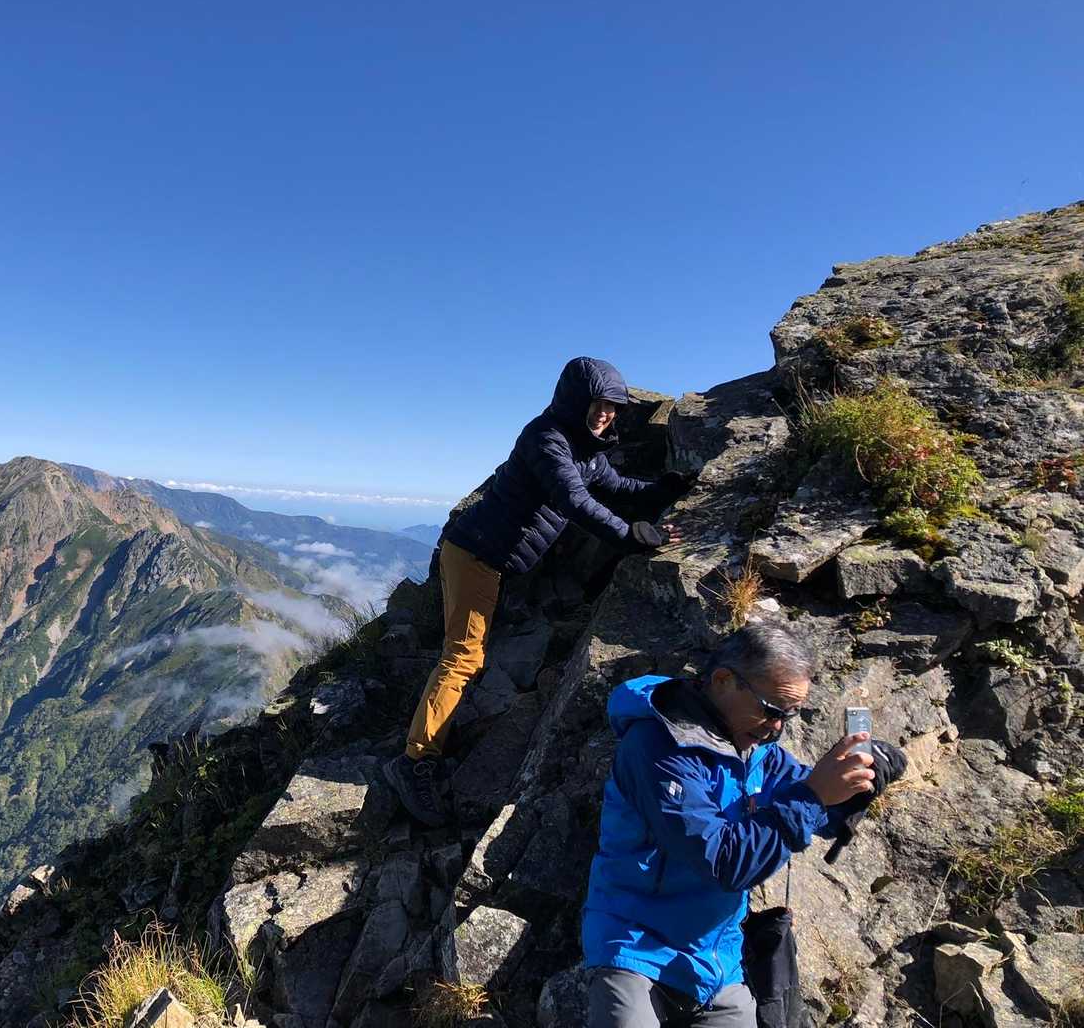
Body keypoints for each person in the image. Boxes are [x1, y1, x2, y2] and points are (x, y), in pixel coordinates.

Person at [381, 356, 686, 826]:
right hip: (474, 555)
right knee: (463, 658)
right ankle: (414, 760)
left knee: (475, 653)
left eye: (613, 407)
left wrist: (669, 488)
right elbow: (574, 500)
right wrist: (629, 536)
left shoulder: (586, 451)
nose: (606, 413)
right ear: (575, 401)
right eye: (598, 403)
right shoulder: (547, 439)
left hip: (494, 560)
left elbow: (619, 486)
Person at [583, 623, 896, 1028]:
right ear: (723, 681)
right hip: (634, 948)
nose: (777, 726)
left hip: (716, 963)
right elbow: (723, 862)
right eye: (772, 709)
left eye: (790, 714)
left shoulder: (757, 751)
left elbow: (820, 812)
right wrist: (814, 794)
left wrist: (859, 781)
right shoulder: (657, 747)